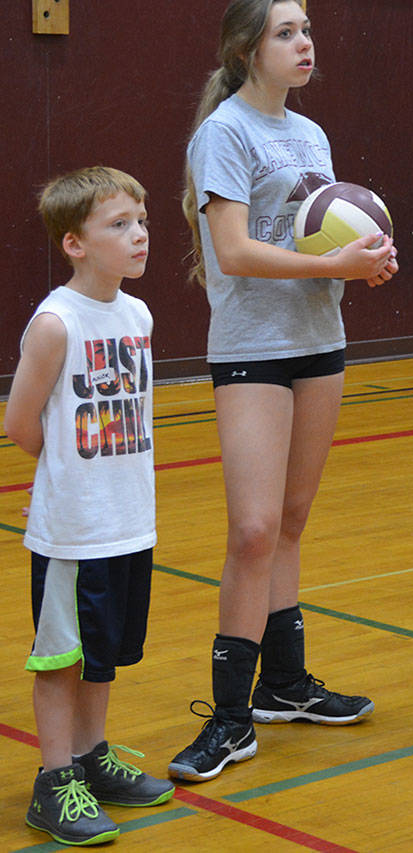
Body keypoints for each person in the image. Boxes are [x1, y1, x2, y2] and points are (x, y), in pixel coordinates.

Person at [170, 0, 397, 782]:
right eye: (287, 33)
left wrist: (364, 258)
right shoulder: (224, 132)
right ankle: (230, 719)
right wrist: (335, 267)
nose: (305, 44)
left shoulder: (312, 135)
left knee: (292, 522)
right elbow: (232, 252)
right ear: (246, 49)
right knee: (253, 530)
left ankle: (286, 686)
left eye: (307, 31)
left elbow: (315, 232)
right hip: (253, 350)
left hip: (320, 341)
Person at [8, 166, 174, 845]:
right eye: (119, 225)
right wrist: (61, 485)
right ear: (74, 242)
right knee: (62, 657)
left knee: (101, 653)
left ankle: (90, 757)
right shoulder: (56, 322)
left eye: (141, 221)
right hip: (74, 530)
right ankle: (54, 783)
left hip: (130, 519)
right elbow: (21, 423)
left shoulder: (137, 314)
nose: (138, 236)